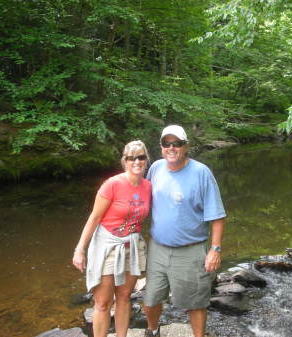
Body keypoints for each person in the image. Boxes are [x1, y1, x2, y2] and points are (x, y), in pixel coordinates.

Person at [143, 125, 226, 337]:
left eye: (177, 143)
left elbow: (216, 216)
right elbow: (142, 201)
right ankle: (152, 331)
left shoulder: (201, 173)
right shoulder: (155, 169)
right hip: (158, 249)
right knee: (151, 299)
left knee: (196, 303)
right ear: (161, 147)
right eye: (166, 144)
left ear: (186, 146)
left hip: (191, 250)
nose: (171, 148)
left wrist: (215, 249)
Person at [72, 140, 152, 337]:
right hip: (107, 246)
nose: (136, 162)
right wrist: (80, 249)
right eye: (131, 158)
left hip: (131, 246)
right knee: (103, 302)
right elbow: (94, 218)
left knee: (124, 298)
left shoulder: (148, 186)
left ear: (146, 160)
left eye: (141, 157)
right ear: (124, 161)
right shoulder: (112, 185)